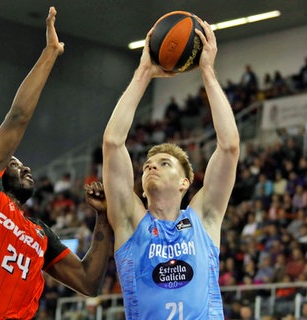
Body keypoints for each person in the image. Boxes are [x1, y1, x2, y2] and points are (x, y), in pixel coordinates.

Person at [0, 7, 112, 320]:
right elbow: (17, 118)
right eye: (15, 163)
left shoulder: (40, 234)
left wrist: (103, 217)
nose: (25, 168)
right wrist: (50, 54)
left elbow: (89, 282)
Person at [102, 17, 240, 320]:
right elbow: (113, 143)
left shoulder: (204, 218)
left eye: (164, 164)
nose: (151, 167)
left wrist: (208, 73)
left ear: (185, 182)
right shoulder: (129, 219)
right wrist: (143, 74)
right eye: (148, 165)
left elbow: (229, 147)